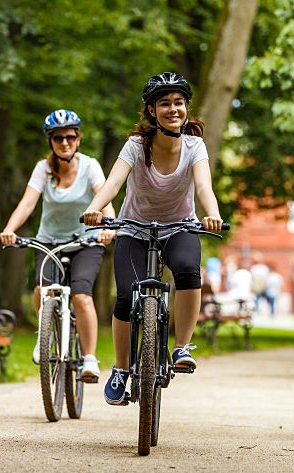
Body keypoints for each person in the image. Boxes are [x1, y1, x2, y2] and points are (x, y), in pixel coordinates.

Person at [82, 72, 223, 405]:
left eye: (178, 103)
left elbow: (203, 187)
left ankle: (182, 346)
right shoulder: (136, 145)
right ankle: (120, 368)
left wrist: (212, 213)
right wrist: (94, 209)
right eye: (164, 104)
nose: (173, 109)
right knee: (125, 297)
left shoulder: (194, 146)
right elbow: (113, 184)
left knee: (188, 271)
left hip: (179, 227)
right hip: (134, 226)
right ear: (151, 110)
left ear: (186, 108)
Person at [0, 109, 115, 382]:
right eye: (58, 138)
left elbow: (105, 197)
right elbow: (28, 203)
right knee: (42, 290)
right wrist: (9, 230)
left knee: (81, 296)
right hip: (49, 241)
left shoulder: (90, 166)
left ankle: (88, 358)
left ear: (78, 139)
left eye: (71, 137)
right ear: (50, 141)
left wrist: (109, 226)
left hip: (86, 240)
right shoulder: (43, 169)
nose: (65, 142)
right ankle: (45, 336)